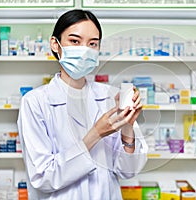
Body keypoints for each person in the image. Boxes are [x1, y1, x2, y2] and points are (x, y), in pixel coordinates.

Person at [17, 9, 148, 200]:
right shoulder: (35, 102)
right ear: (55, 44)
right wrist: (95, 134)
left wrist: (128, 125)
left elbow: (128, 171)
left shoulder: (111, 96)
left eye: (92, 44)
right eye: (75, 41)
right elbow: (43, 177)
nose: (84, 50)